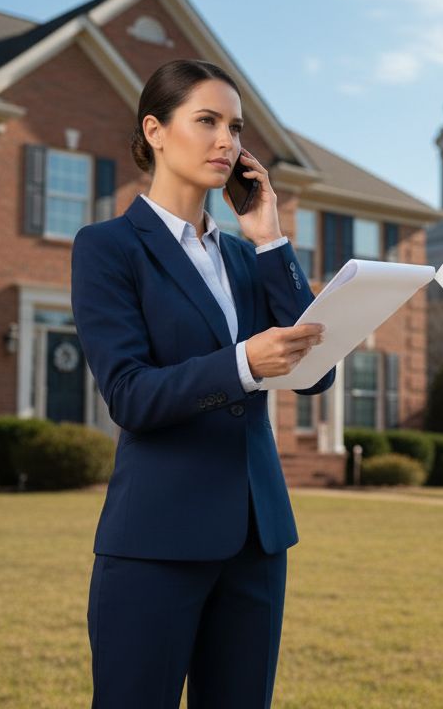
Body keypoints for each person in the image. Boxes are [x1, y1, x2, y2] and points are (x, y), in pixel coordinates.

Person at [70, 58, 334, 708]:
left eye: (236, 127)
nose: (228, 141)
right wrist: (243, 363)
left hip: (256, 540)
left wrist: (270, 238)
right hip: (156, 541)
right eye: (208, 121)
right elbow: (130, 394)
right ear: (155, 131)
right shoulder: (108, 248)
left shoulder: (247, 257)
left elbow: (315, 373)